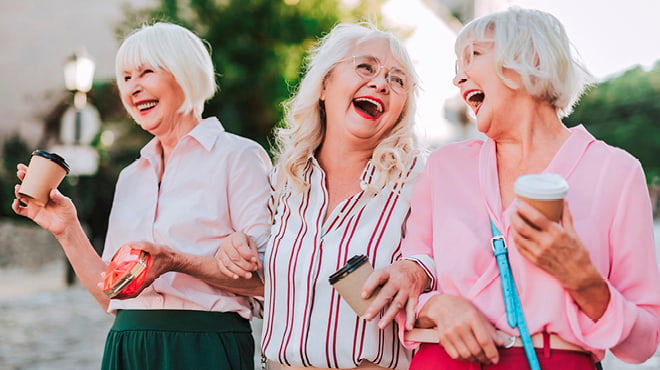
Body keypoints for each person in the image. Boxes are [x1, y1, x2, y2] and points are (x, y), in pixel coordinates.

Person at [376, 7, 660, 369]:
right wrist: (436, 304)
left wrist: (584, 280)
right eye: (456, 66)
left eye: (473, 56)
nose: (458, 79)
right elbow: (412, 276)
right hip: (444, 359)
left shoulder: (617, 172)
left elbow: (644, 343)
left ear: (530, 59)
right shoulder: (443, 167)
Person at [13, 22, 271, 370]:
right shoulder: (132, 176)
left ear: (185, 73)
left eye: (146, 72)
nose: (134, 87)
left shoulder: (239, 158)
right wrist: (67, 228)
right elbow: (111, 295)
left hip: (205, 347)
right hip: (127, 345)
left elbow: (268, 283)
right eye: (126, 78)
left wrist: (177, 261)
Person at [214, 22, 429, 369]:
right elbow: (264, 276)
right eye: (366, 67)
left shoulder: (418, 181)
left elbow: (450, 266)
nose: (380, 83)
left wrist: (419, 270)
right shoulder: (285, 178)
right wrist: (234, 248)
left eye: (397, 79)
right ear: (326, 84)